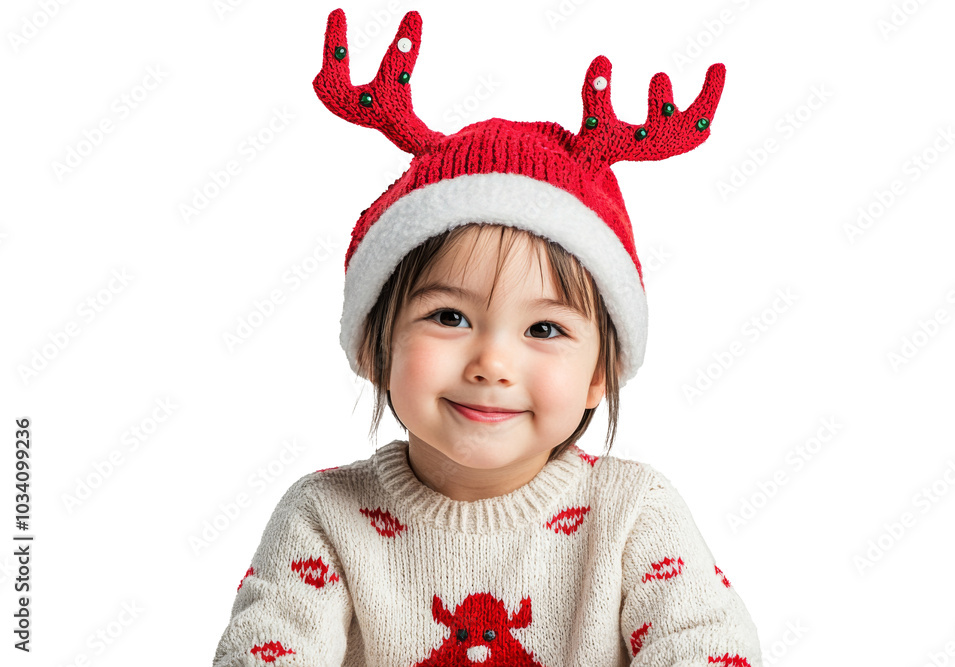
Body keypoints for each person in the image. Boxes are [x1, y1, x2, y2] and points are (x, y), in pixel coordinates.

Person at [212, 8, 762, 666]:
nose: (492, 363)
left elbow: (707, 646)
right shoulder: (324, 517)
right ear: (374, 346)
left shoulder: (634, 515)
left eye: (544, 328)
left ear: (599, 374)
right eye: (449, 317)